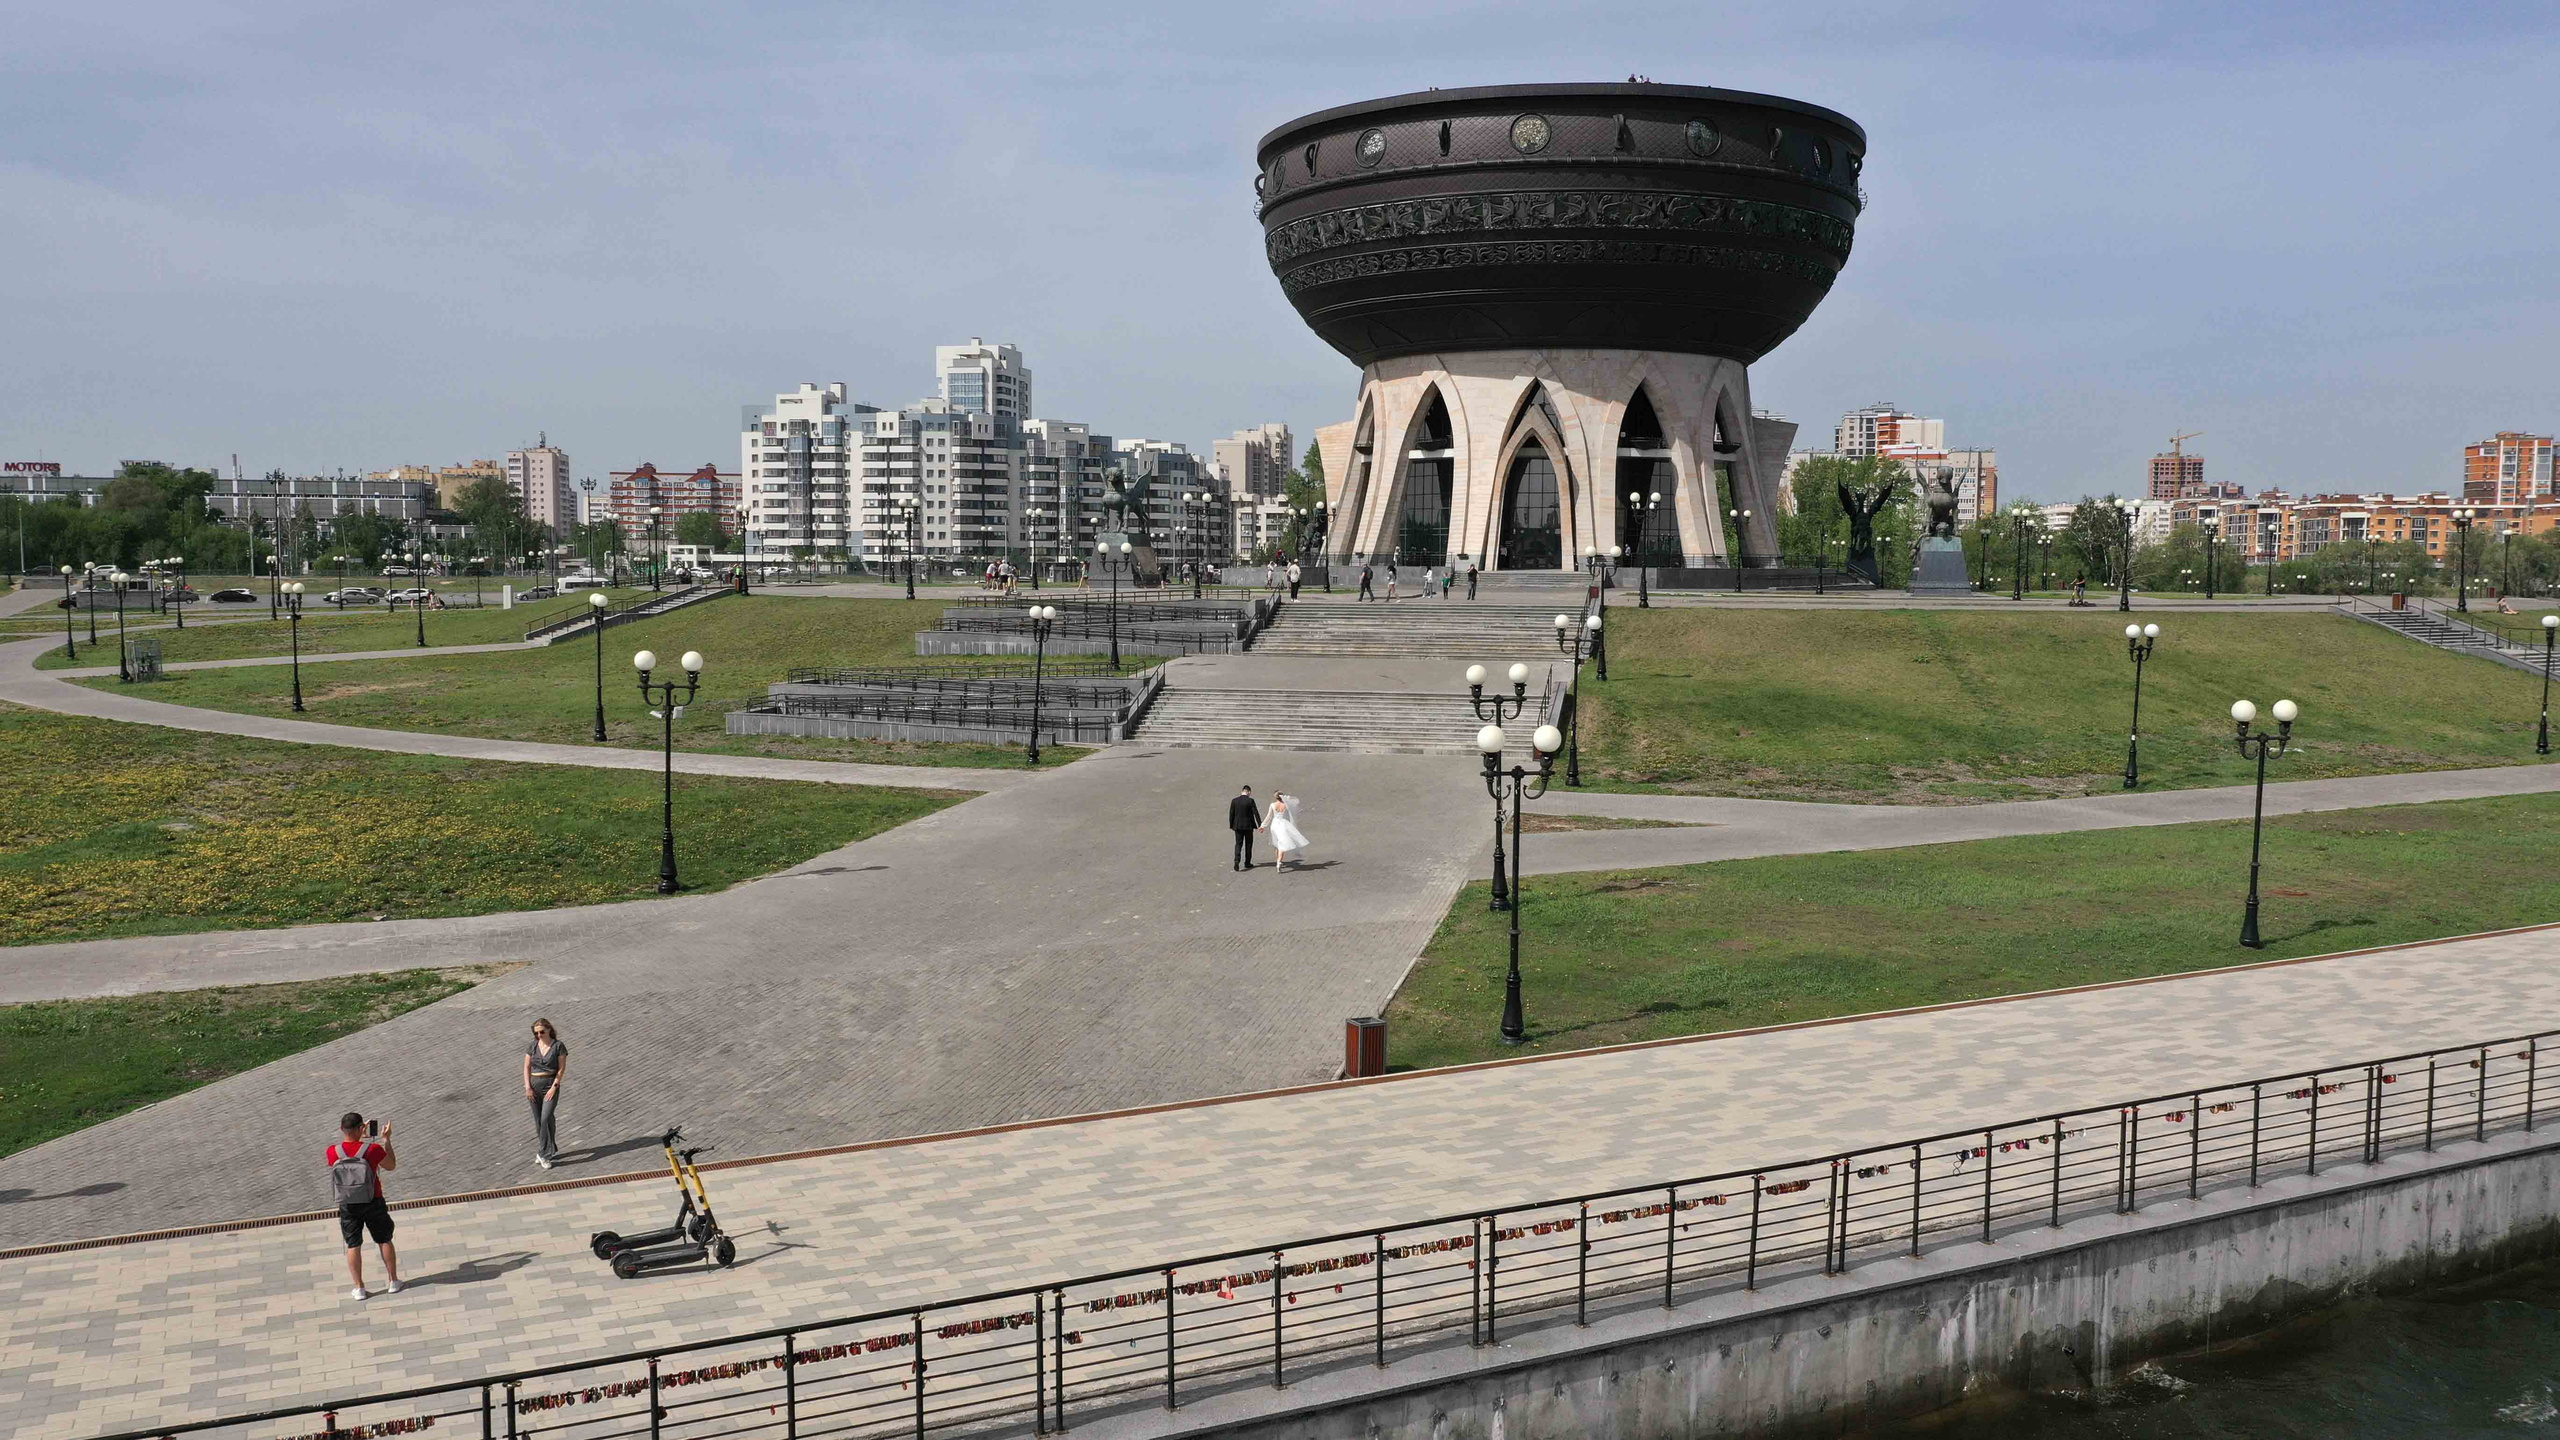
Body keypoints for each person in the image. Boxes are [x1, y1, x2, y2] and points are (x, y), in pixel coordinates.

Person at [327, 1111, 401, 1300]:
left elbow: (346, 1154)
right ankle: (393, 1281)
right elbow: (391, 1165)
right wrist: (386, 1140)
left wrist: (360, 1136)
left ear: (342, 1129)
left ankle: (359, 1287)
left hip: (347, 1203)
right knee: (384, 1239)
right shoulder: (372, 1150)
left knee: (353, 1244)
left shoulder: (332, 1151)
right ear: (361, 1128)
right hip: (373, 1200)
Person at [524, 1018, 567, 1168]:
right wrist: (527, 1086)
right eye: (537, 1033)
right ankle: (550, 1147)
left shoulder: (558, 1046)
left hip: (550, 1085)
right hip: (534, 1086)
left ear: (549, 1029)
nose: (540, 1035)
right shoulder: (533, 1046)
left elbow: (561, 1069)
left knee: (546, 1117)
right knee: (540, 1121)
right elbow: (527, 1067)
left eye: (542, 1031)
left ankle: (543, 1154)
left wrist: (554, 1086)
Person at [1264, 790, 1310, 870]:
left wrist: (1263, 825)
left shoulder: (1272, 805)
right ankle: (1279, 862)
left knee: (1276, 843)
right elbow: (1288, 814)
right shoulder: (1285, 805)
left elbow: (1269, 816)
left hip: (1274, 825)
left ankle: (1278, 860)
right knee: (1283, 843)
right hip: (1283, 824)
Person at [1227, 784, 1260, 870]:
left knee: (1238, 844)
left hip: (1238, 826)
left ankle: (1237, 860)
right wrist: (1260, 824)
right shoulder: (1250, 801)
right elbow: (1255, 813)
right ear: (1248, 792)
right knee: (1248, 844)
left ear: (1242, 791)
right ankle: (1247, 862)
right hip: (1248, 826)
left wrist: (1231, 825)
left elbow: (1231, 814)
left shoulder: (1234, 801)